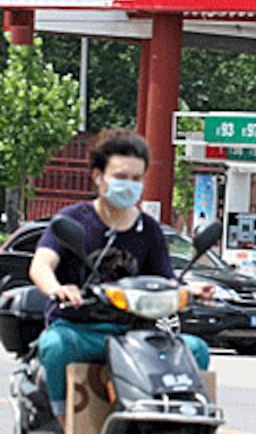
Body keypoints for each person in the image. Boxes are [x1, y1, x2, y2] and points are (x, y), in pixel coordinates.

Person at [29, 128, 214, 429]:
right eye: (120, 176)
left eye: (136, 179)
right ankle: (66, 419)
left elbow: (165, 280)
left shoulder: (150, 230)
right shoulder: (73, 220)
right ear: (98, 176)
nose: (128, 185)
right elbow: (41, 265)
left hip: (135, 334)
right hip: (83, 330)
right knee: (56, 345)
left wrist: (192, 290)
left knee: (195, 350)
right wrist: (57, 288)